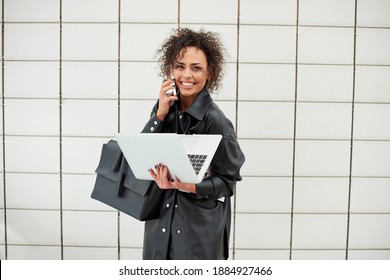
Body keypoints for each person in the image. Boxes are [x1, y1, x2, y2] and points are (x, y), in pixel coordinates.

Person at [141, 28, 245, 260]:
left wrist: (188, 186)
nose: (186, 75)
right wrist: (158, 114)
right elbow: (143, 153)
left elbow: (228, 183)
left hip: (198, 233)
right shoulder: (164, 109)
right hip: (161, 224)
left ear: (210, 73)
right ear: (171, 69)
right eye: (180, 66)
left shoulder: (216, 121)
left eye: (196, 68)